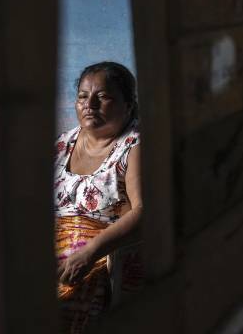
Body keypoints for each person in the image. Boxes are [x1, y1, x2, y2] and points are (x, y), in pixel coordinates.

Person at [53, 62, 143, 333]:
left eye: (102, 97)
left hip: (97, 255)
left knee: (54, 306)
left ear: (127, 104)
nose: (89, 104)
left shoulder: (134, 146)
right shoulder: (62, 144)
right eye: (82, 96)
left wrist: (89, 255)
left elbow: (143, 211)